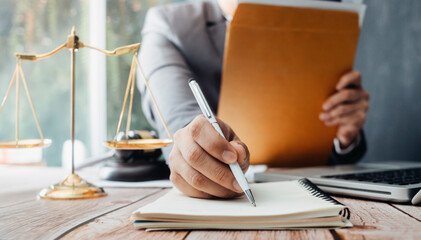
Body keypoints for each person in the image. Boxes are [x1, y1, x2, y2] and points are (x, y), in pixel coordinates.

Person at [138, 0, 369, 199]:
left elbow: (332, 143)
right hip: (234, 195)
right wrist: (194, 149)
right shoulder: (168, 25)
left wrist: (345, 137)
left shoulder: (315, 17)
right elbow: (180, 123)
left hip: (308, 189)